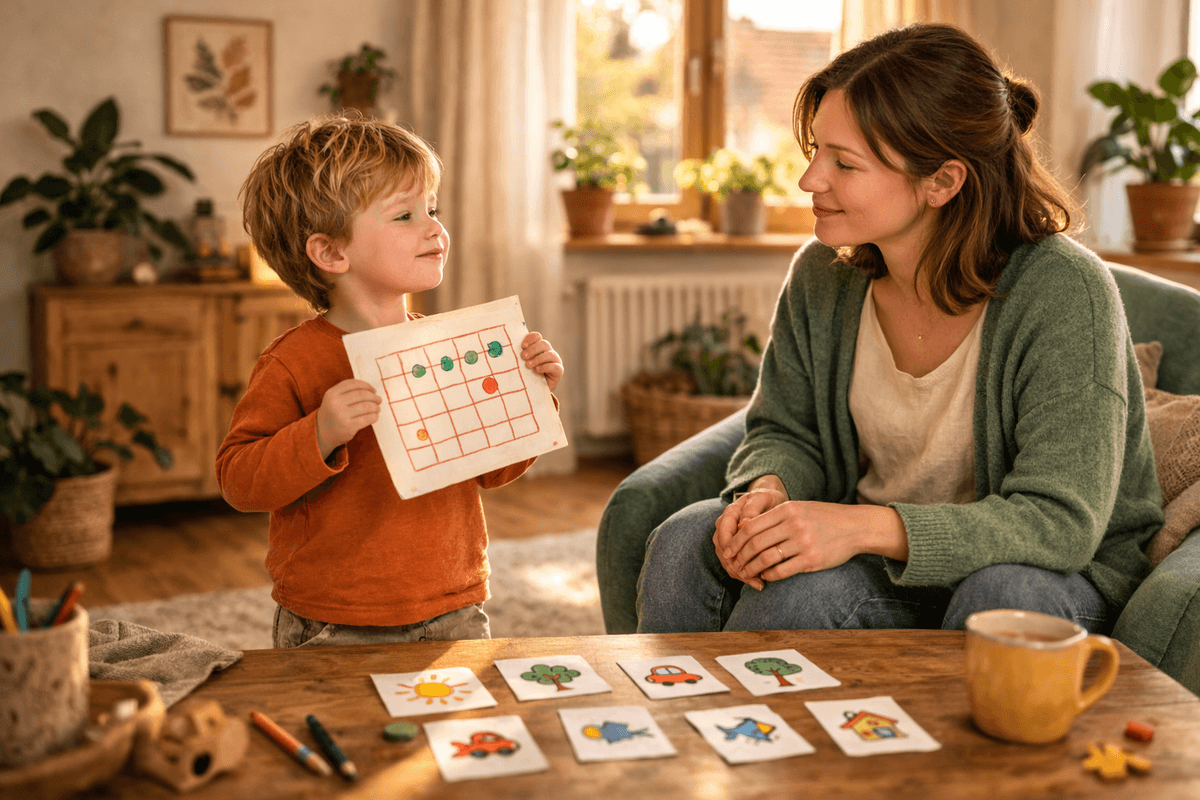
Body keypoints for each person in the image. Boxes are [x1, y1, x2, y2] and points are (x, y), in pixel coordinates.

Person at [636, 23, 1162, 635]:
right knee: (683, 541)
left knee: (994, 591)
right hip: (884, 565)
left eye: (845, 163)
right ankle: (683, 725)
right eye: (815, 152)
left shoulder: (1066, 291)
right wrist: (769, 492)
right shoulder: (822, 276)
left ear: (942, 181)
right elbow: (786, 429)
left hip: (1048, 577)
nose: (810, 180)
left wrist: (857, 527)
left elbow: (1059, 523)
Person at [217, 115, 564, 647]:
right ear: (331, 253)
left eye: (432, 209)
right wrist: (320, 432)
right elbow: (239, 480)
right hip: (333, 619)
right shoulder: (293, 362)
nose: (435, 229)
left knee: (449, 730)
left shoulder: (451, 349)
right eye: (405, 215)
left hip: (453, 605)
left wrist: (533, 396)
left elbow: (494, 472)